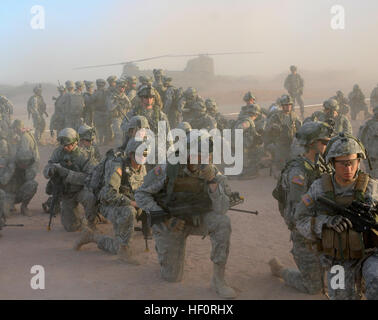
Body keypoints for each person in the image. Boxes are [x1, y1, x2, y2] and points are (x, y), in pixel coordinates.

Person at [134, 131, 237, 299]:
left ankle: (218, 280)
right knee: (172, 278)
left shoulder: (212, 173)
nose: (204, 158)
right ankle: (164, 249)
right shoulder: (169, 168)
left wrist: (212, 182)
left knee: (222, 222)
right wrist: (164, 219)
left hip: (197, 219)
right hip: (171, 223)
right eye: (199, 153)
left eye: (207, 154)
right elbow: (141, 194)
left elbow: (221, 209)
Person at [295, 133, 378, 299]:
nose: (348, 168)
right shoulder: (319, 188)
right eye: (342, 163)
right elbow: (300, 219)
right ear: (332, 162)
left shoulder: (372, 187)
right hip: (337, 259)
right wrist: (325, 222)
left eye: (352, 162)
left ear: (358, 161)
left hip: (369, 253)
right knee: (340, 296)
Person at [269, 121, 333, 295]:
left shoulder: (321, 164)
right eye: (324, 142)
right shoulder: (298, 173)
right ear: (312, 144)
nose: (327, 145)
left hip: (322, 226)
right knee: (314, 287)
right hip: (305, 233)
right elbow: (297, 213)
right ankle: (281, 271)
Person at [74, 138, 147, 264]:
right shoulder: (117, 166)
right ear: (131, 154)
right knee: (128, 212)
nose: (142, 158)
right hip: (107, 204)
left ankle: (92, 237)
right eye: (139, 155)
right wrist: (132, 203)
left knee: (116, 246)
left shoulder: (142, 168)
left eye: (145, 155)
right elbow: (109, 194)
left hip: (124, 203)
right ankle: (124, 252)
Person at [43, 128, 97, 231]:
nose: (66, 147)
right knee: (70, 228)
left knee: (91, 198)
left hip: (80, 190)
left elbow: (90, 177)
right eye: (64, 145)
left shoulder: (83, 155)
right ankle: (80, 221)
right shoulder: (58, 152)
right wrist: (50, 171)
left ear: (76, 142)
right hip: (66, 193)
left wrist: (67, 173)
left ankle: (92, 221)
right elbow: (47, 168)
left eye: (69, 145)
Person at [0, 120, 39, 217]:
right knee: (4, 215)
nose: (24, 165)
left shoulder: (28, 168)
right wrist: (11, 169)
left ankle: (24, 207)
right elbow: (3, 181)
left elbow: (30, 179)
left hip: (18, 193)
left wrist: (28, 170)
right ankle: (8, 205)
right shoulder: (11, 164)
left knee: (33, 184)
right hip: (7, 194)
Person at [265, 94, 302, 177]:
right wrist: (274, 127)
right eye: (286, 105)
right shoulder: (276, 116)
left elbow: (300, 127)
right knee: (281, 165)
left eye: (289, 105)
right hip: (281, 143)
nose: (288, 107)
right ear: (282, 106)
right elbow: (267, 128)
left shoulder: (294, 115)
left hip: (292, 142)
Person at [232, 104, 263, 179]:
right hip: (243, 146)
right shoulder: (248, 121)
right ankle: (247, 171)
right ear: (256, 114)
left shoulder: (243, 118)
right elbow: (239, 129)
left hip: (238, 144)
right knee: (259, 150)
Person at [106, 79, 131, 146]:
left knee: (126, 134)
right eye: (121, 87)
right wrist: (117, 103)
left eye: (124, 87)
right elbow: (110, 107)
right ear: (117, 87)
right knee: (118, 135)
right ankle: (118, 149)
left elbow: (129, 105)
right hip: (116, 118)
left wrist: (124, 103)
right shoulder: (113, 96)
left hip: (124, 117)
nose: (122, 89)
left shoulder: (124, 96)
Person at [358, 106, 378, 178]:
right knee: (373, 177)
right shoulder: (368, 125)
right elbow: (360, 139)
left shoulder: (367, 124)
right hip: (372, 157)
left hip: (371, 156)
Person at [90, 79, 108, 145]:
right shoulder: (107, 92)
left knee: (99, 127)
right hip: (106, 112)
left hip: (98, 112)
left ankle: (100, 141)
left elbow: (91, 99)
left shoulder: (97, 92)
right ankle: (107, 140)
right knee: (106, 126)